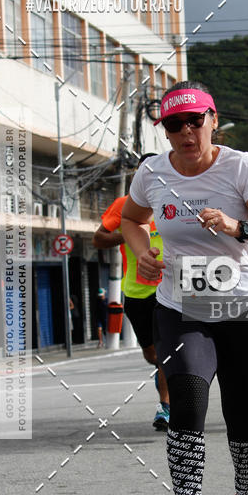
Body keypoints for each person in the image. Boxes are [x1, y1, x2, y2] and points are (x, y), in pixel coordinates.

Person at [121, 80, 248, 495]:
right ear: (165, 130)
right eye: (174, 124)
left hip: (243, 310)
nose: (185, 132)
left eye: (194, 121)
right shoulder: (152, 173)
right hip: (182, 310)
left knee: (242, 415)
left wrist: (240, 226)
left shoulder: (240, 167)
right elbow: (131, 220)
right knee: (187, 404)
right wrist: (143, 252)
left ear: (212, 120)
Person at [93, 154, 170, 430]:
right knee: (152, 355)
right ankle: (164, 380)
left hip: (172, 290)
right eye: (143, 173)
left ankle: (167, 408)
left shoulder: (176, 201)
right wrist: (129, 231)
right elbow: (99, 238)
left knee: (168, 352)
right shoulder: (124, 205)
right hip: (137, 292)